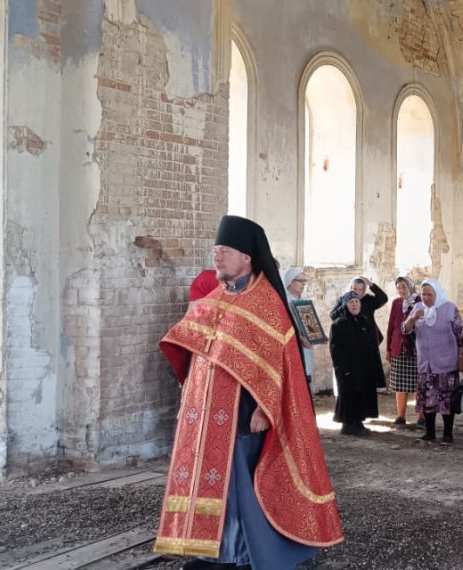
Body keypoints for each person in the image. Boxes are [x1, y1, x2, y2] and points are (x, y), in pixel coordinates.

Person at [156, 215, 342, 569]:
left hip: (242, 416)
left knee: (240, 491)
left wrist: (264, 408)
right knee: (212, 487)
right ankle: (210, 551)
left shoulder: (267, 303)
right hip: (204, 412)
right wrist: (188, 398)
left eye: (224, 250)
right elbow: (197, 351)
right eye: (215, 250)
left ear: (247, 257)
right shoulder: (216, 297)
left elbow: (280, 364)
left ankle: (242, 555)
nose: (217, 256)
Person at [403, 279, 463, 444]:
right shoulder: (417, 308)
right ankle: (430, 432)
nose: (426, 298)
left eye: (430, 294)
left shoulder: (449, 308)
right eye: (423, 294)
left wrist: (461, 357)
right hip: (426, 364)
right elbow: (405, 329)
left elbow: (460, 335)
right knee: (427, 400)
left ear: (437, 294)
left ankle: (447, 434)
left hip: (446, 362)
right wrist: (414, 317)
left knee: (446, 400)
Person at [329, 291, 384, 436]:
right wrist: (344, 369)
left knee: (361, 394)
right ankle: (349, 425)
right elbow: (336, 350)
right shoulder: (339, 324)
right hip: (349, 369)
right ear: (346, 305)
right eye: (351, 302)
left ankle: (357, 423)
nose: (354, 305)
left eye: (357, 302)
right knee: (350, 395)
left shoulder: (363, 320)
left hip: (363, 368)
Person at [386, 276, 423, 426]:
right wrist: (388, 349)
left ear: (410, 286)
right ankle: (400, 416)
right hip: (398, 348)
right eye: (399, 287)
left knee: (419, 384)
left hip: (415, 350)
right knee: (400, 384)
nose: (401, 290)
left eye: (404, 286)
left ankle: (422, 417)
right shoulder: (396, 303)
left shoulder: (419, 301)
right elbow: (391, 327)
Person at [283, 267, 316, 394]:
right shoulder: (284, 301)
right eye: (300, 280)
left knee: (305, 385)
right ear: (290, 281)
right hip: (292, 348)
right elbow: (284, 327)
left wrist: (318, 336)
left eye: (304, 281)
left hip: (306, 349)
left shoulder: (304, 300)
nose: (303, 284)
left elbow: (312, 326)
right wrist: (299, 338)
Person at [329, 276, 389, 344]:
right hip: (349, 340)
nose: (357, 292)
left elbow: (384, 298)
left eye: (360, 289)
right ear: (351, 288)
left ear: (364, 290)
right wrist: (346, 305)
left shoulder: (367, 299)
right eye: (355, 288)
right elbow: (333, 316)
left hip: (368, 341)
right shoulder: (343, 299)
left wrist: (370, 284)